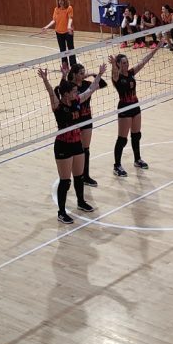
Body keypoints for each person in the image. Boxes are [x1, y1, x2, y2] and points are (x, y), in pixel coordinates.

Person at [37, 62, 106, 223]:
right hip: (63, 145)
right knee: (65, 181)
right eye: (74, 91)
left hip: (76, 143)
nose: (77, 92)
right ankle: (61, 212)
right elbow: (51, 92)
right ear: (66, 94)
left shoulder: (76, 101)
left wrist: (100, 74)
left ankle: (81, 202)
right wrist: (46, 80)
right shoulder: (58, 106)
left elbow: (90, 90)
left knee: (79, 177)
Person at [109, 46, 158, 176]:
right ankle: (117, 166)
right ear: (118, 64)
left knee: (136, 135)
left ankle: (137, 159)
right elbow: (114, 73)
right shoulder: (117, 77)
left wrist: (157, 47)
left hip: (135, 105)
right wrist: (113, 64)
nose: (126, 65)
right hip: (125, 107)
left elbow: (144, 61)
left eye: (127, 62)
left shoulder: (131, 73)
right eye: (123, 63)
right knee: (122, 139)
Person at [67, 62, 106, 187]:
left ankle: (86, 176)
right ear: (74, 74)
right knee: (76, 149)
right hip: (76, 120)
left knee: (86, 149)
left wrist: (96, 74)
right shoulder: (71, 87)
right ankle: (75, 175)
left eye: (84, 73)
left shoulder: (86, 84)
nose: (83, 75)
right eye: (81, 73)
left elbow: (103, 84)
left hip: (87, 118)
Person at [41, 0, 76, 68]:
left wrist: (69, 26)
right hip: (59, 32)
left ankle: (73, 66)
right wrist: (46, 27)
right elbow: (54, 20)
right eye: (59, 0)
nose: (60, 2)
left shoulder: (69, 8)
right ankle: (65, 66)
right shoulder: (56, 9)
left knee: (71, 49)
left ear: (65, 1)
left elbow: (70, 18)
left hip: (68, 32)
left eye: (62, 0)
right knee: (62, 50)